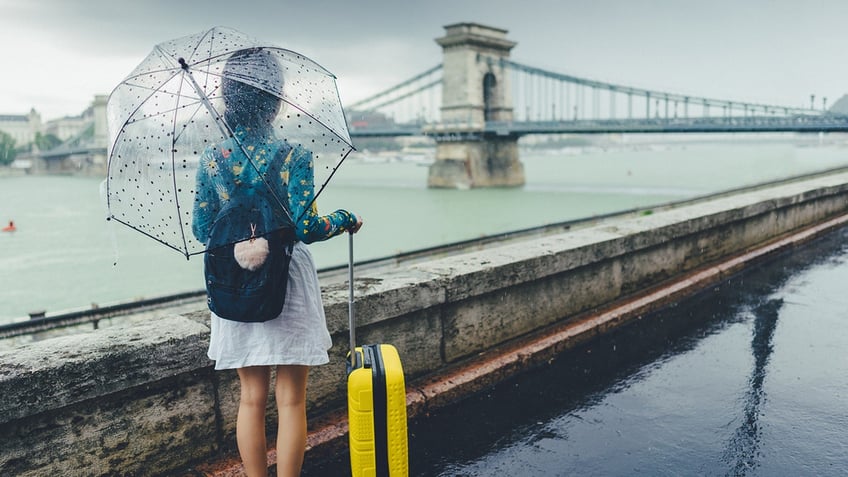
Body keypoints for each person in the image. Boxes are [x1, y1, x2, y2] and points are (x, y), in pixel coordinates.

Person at [191, 49, 362, 477]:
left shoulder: (212, 158)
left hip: (235, 280)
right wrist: (345, 219)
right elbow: (307, 228)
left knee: (250, 399)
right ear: (277, 99)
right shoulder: (293, 155)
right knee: (291, 400)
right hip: (288, 276)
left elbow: (200, 228)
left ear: (227, 99)